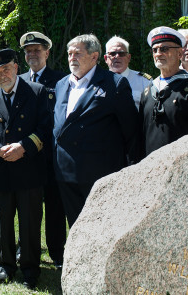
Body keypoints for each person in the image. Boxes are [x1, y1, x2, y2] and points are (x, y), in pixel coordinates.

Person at [0, 49, 50, 290]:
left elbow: (45, 128)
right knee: (3, 225)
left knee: (30, 224)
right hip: (2, 170)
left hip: (29, 169)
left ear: (16, 67)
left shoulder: (37, 92)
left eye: (6, 69)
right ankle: (5, 266)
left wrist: (23, 147)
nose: (2, 75)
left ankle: (30, 269)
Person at [53, 34, 138, 229]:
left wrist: (130, 168)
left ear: (94, 56)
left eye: (78, 53)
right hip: (65, 173)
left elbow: (130, 129)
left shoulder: (114, 83)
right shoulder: (61, 85)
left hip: (99, 173)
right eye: (69, 53)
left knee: (101, 228)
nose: (72, 58)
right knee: (75, 227)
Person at [17, 31, 66, 270]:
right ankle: (24, 247)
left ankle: (57, 252)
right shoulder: (19, 80)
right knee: (25, 205)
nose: (32, 54)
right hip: (26, 154)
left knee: (55, 206)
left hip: (52, 154)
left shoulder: (61, 80)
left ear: (47, 52)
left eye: (37, 50)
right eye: (28, 51)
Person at [139, 27, 188, 158]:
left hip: (181, 165)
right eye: (155, 50)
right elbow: (141, 133)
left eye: (164, 49)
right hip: (149, 167)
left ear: (180, 54)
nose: (158, 54)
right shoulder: (148, 91)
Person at [103, 35, 152, 109]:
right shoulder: (98, 82)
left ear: (128, 57)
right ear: (106, 58)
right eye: (112, 54)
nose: (117, 56)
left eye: (121, 54)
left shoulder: (144, 81)